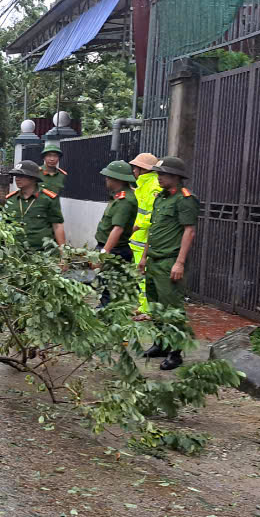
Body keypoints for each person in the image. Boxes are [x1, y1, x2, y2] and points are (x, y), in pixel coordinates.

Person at [137, 156, 198, 371]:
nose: (159, 177)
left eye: (163, 174)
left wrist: (179, 263)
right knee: (155, 306)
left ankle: (175, 352)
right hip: (154, 259)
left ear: (176, 176)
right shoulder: (160, 198)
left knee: (172, 308)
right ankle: (161, 344)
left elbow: (189, 231)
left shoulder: (185, 199)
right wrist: (144, 257)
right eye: (158, 173)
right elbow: (153, 230)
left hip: (169, 261)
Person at [93, 160, 138, 307]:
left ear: (117, 179)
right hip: (111, 248)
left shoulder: (125, 201)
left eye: (109, 177)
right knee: (104, 285)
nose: (106, 179)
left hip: (114, 251)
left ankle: (107, 314)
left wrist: (104, 253)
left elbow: (118, 229)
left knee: (109, 290)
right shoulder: (118, 196)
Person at [128, 152, 161, 315]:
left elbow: (152, 214)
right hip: (137, 239)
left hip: (144, 239)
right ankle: (140, 305)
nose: (133, 170)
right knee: (137, 275)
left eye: (136, 168)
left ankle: (145, 309)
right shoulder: (142, 184)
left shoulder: (153, 186)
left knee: (142, 276)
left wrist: (136, 226)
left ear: (144, 169)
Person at [8, 160, 65, 250]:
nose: (17, 179)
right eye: (16, 176)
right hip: (16, 253)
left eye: (21, 176)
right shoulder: (11, 200)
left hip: (43, 253)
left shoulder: (48, 199)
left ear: (33, 178)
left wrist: (63, 253)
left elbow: (57, 226)